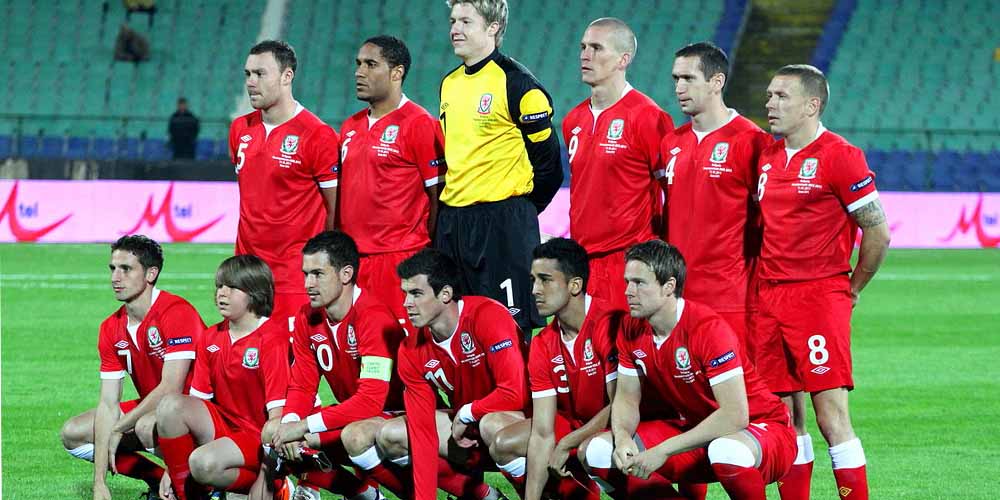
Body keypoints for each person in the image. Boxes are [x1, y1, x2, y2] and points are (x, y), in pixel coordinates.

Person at [753, 64, 890, 500]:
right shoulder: (768, 156)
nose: (770, 103)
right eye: (770, 95)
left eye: (782, 96)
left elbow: (877, 232)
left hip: (817, 297)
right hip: (768, 297)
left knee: (831, 417)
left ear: (812, 105)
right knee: (784, 418)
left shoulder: (840, 155)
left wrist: (854, 286)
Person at [579, 240, 797, 500]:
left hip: (760, 428)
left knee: (727, 451)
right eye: (627, 282)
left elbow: (735, 415)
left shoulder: (707, 329)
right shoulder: (630, 328)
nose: (628, 291)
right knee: (598, 452)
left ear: (669, 286)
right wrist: (624, 436)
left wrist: (663, 450)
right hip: (696, 432)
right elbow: (626, 398)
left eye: (639, 283)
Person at [346, 248, 526, 500]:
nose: (406, 303)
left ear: (445, 294)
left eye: (416, 293)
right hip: (467, 428)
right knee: (392, 435)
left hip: (522, 423)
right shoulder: (411, 349)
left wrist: (467, 413)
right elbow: (422, 433)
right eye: (405, 293)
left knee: (492, 424)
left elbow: (514, 393)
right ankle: (485, 497)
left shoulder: (487, 316)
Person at [436, 0, 564, 332]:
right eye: (453, 21)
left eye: (466, 21)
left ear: (493, 27)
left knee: (509, 330)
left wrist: (518, 211)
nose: (455, 29)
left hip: (502, 224)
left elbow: (550, 167)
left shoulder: (518, 84)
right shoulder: (449, 83)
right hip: (454, 224)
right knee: (459, 331)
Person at [59, 235, 205, 500]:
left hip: (200, 409)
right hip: (158, 408)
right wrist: (99, 483)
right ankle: (158, 480)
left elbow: (171, 387)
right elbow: (108, 404)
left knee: (145, 425)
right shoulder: (110, 328)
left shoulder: (176, 312)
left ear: (151, 274)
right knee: (74, 433)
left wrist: (119, 427)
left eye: (126, 269)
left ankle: (194, 485)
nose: (115, 277)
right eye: (113, 268)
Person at [267, 231, 404, 500]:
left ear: (346, 274)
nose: (308, 284)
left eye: (318, 274)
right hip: (357, 418)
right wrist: (291, 422)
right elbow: (302, 385)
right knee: (275, 432)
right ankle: (367, 496)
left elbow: (371, 401)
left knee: (352, 436)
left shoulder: (373, 316)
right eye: (306, 274)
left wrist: (303, 427)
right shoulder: (307, 316)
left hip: (399, 415)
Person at [658, 41, 772, 343]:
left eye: (688, 78)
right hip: (677, 295)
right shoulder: (671, 142)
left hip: (731, 297)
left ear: (717, 81)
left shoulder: (752, 142)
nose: (679, 88)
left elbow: (770, 221)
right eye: (676, 79)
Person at [156, 255, 289, 500]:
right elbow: (197, 404)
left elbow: (277, 419)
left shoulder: (273, 339)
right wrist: (172, 468)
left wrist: (267, 475)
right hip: (224, 425)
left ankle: (278, 486)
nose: (222, 293)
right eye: (219, 286)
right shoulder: (210, 337)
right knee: (169, 406)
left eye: (232, 287)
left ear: (254, 293)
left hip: (258, 435)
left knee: (202, 463)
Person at [563, 18, 674, 310]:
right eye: (583, 47)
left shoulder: (649, 117)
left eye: (597, 48)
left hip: (629, 262)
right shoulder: (573, 120)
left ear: (623, 59)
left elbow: (672, 191)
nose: (585, 55)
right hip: (582, 262)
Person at [229, 40, 340, 331]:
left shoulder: (318, 135)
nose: (251, 82)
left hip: (294, 277)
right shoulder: (240, 129)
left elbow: (335, 210)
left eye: (260, 74)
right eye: (247, 74)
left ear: (287, 76)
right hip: (247, 273)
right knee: (247, 357)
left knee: (293, 357)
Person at [338, 35, 445, 323]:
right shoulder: (350, 126)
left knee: (398, 342)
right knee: (356, 342)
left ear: (397, 73)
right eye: (358, 64)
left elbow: (439, 197)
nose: (359, 72)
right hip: (353, 261)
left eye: (371, 64)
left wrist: (426, 251)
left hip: (399, 260)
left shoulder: (420, 124)